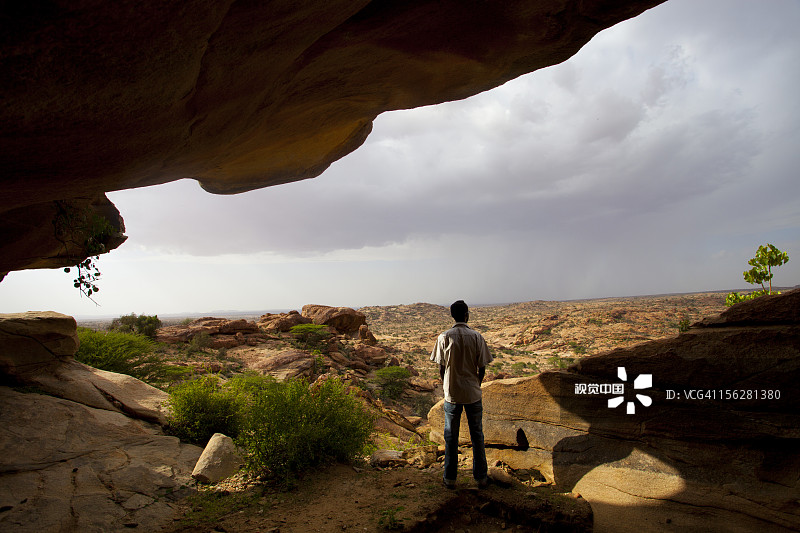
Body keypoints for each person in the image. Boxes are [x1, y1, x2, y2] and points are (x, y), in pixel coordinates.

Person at [430, 299, 493, 489]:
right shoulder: (476, 337)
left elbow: (441, 367)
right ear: (467, 315)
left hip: (452, 394)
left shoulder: (444, 337)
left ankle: (449, 478)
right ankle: (481, 478)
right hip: (473, 394)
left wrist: (446, 384)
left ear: (452, 316)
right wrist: (476, 383)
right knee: (477, 436)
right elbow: (482, 367)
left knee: (451, 437)